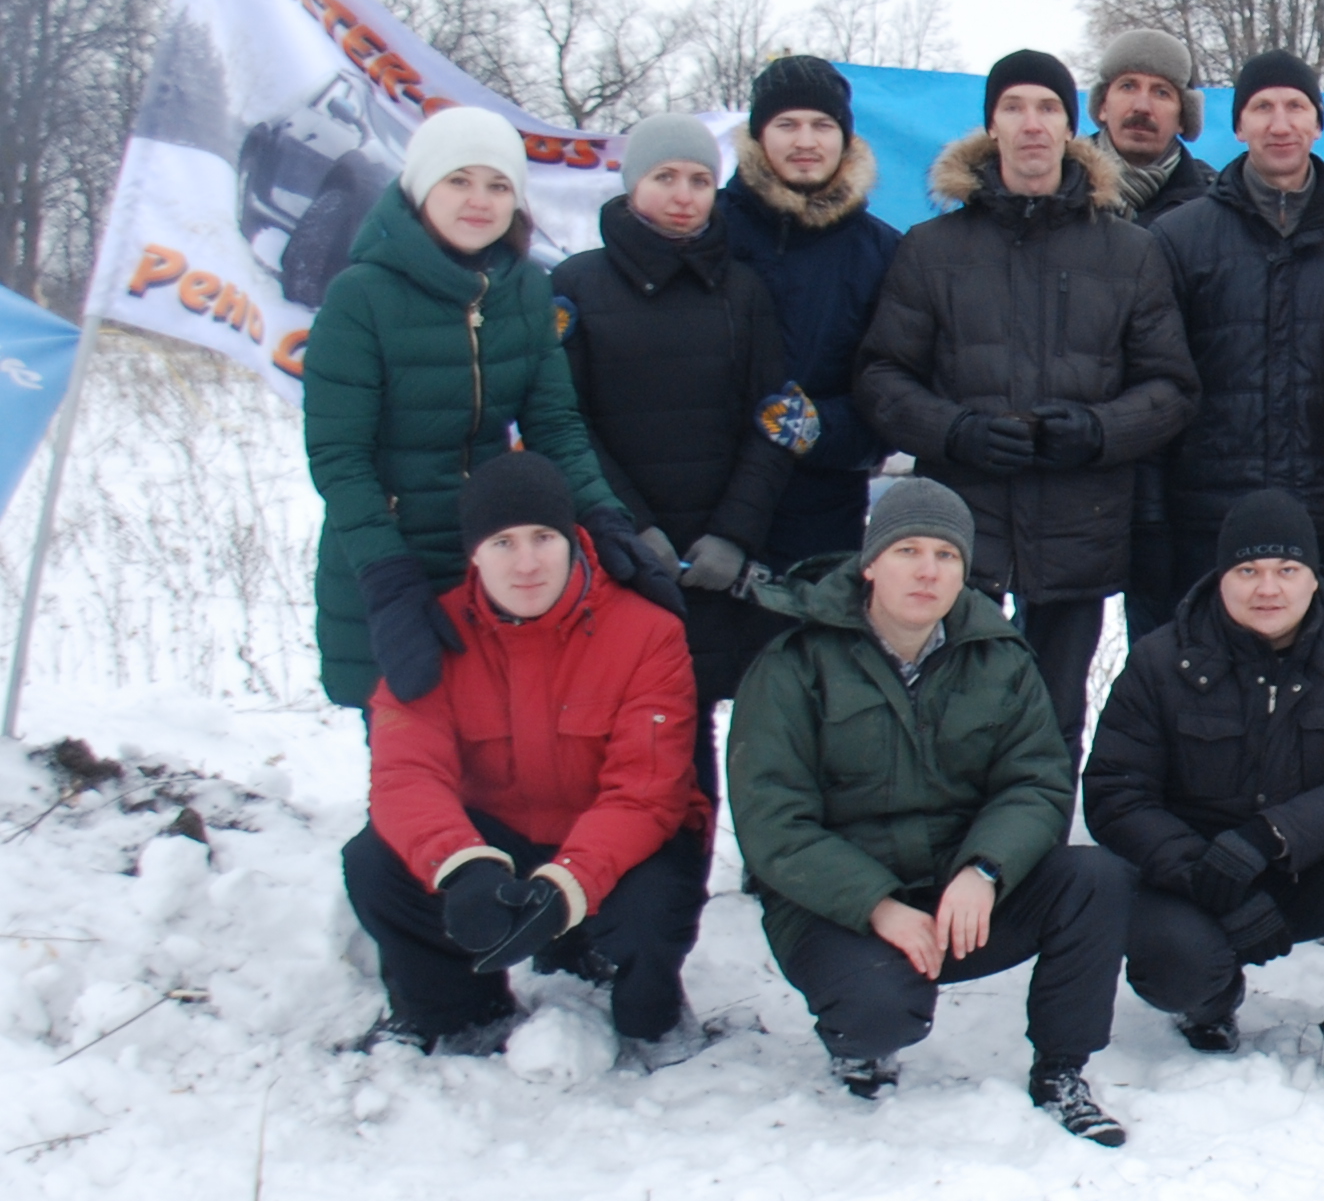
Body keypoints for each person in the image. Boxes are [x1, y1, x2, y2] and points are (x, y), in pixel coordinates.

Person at [724, 479, 1137, 1143]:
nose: (927, 571)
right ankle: (862, 1045)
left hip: (958, 895)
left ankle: (1062, 1069)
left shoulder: (999, 656)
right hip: (840, 905)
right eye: (907, 551)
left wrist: (985, 869)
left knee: (1096, 880)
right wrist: (876, 904)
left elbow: (1035, 781)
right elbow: (773, 821)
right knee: (880, 1011)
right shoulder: (795, 664)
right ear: (870, 564)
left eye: (946, 555)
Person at [856, 48, 1201, 757]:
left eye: (1048, 108)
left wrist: (1097, 430)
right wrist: (956, 430)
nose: (1032, 124)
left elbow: (1172, 389)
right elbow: (881, 378)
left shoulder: (1129, 252)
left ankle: (1042, 831)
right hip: (961, 532)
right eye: (1014, 107)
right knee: (952, 721)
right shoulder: (932, 248)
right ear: (992, 126)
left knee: (1052, 723)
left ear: (1072, 128)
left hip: (1079, 531)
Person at [343, 454, 712, 1068]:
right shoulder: (433, 635)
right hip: (496, 839)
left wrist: (568, 884)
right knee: (375, 864)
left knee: (653, 908)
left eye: (544, 537)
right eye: (503, 543)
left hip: (612, 841)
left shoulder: (646, 631)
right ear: (474, 555)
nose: (527, 562)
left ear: (572, 538)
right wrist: (463, 866)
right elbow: (405, 775)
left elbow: (646, 791)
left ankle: (651, 1010)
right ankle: (464, 1013)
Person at [302, 103, 649, 714]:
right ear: (420, 188)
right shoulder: (360, 296)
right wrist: (387, 577)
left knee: (499, 736)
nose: (479, 201)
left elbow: (554, 425)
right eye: (458, 180)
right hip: (389, 548)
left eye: (498, 185)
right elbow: (339, 457)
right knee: (408, 733)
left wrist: (605, 517)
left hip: (493, 553)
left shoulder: (525, 290)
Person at [1083, 491, 1324, 1086]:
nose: (1267, 588)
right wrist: (1210, 877)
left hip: (1310, 865)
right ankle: (1210, 1003)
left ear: (1314, 576)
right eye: (1248, 571)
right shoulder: (1161, 660)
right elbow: (1116, 794)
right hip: (1196, 877)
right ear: (1221, 577)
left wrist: (1271, 836)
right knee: (1173, 964)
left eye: (1287, 570)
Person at [555, 113, 815, 722]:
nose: (683, 196)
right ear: (632, 183)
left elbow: (777, 421)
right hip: (619, 560)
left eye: (700, 180)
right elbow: (563, 422)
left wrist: (734, 535)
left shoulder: (744, 291)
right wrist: (628, 528)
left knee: (733, 723)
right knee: (644, 731)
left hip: (717, 563)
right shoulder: (576, 284)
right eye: (664, 177)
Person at [1144, 49, 1324, 629]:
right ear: (1238, 125)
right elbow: (1154, 382)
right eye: (1262, 107)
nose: (1280, 124)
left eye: (1296, 107)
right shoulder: (1178, 239)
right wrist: (1149, 520)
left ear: (1318, 122)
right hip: (1208, 520)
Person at [717, 54, 903, 573]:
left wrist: (821, 427)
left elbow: (894, 386)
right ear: (759, 135)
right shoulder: (710, 232)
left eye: (822, 125)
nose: (805, 141)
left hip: (822, 512)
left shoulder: (882, 252)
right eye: (787, 124)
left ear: (844, 137)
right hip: (707, 504)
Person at [1086, 26, 1215, 228]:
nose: (1142, 107)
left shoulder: (1215, 205)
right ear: (1103, 106)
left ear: (1183, 119)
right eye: (1128, 86)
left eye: (1161, 93)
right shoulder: (1057, 189)